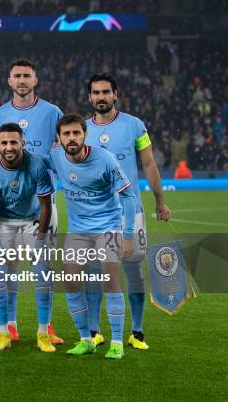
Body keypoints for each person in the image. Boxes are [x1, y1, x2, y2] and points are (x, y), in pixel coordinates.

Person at [0, 58, 63, 343]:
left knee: (43, 269)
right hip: (5, 209)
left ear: (35, 79)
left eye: (27, 75)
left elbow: (66, 147)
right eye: (17, 76)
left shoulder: (52, 112)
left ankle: (45, 327)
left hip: (40, 202)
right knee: (7, 269)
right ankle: (9, 326)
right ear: (9, 81)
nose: (22, 80)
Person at [85, 73, 171, 349]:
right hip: (97, 215)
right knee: (95, 273)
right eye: (96, 92)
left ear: (115, 94)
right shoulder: (82, 130)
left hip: (129, 211)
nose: (101, 97)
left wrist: (160, 201)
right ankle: (95, 330)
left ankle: (136, 331)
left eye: (105, 92)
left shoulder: (134, 125)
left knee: (133, 272)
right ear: (90, 97)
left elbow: (148, 164)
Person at [47, 113, 136, 359]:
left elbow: (129, 196)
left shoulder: (105, 159)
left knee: (110, 277)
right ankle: (86, 339)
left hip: (107, 226)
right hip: (78, 230)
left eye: (76, 132)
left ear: (85, 134)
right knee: (72, 280)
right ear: (59, 138)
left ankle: (116, 342)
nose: (72, 137)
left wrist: (128, 235)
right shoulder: (55, 157)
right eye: (66, 134)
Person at [0, 123, 55, 352]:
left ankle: (43, 332)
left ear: (23, 143)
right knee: (0, 273)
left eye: (14, 142)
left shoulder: (37, 165)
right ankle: (5, 332)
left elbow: (45, 205)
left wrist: (41, 238)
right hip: (3, 221)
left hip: (33, 218)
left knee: (42, 270)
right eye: (4, 143)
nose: (9, 147)